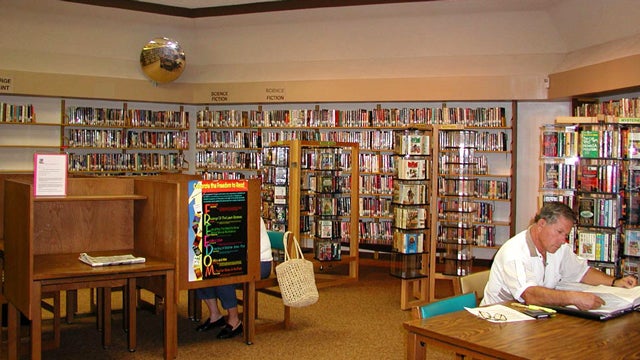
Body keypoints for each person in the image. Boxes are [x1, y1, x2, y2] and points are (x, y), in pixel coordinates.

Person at [481, 201, 637, 310]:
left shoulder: (558, 247)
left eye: (566, 234)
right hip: (499, 319)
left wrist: (615, 282)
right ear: (542, 224)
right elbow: (530, 295)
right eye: (559, 232)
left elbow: (581, 272)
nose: (563, 240)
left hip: (533, 315)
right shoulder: (514, 252)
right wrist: (572, 297)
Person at [195, 217, 273, 339]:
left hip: (259, 263)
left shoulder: (249, 212)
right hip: (238, 258)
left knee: (225, 274)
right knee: (200, 271)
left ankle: (235, 321)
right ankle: (215, 316)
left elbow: (237, 241)